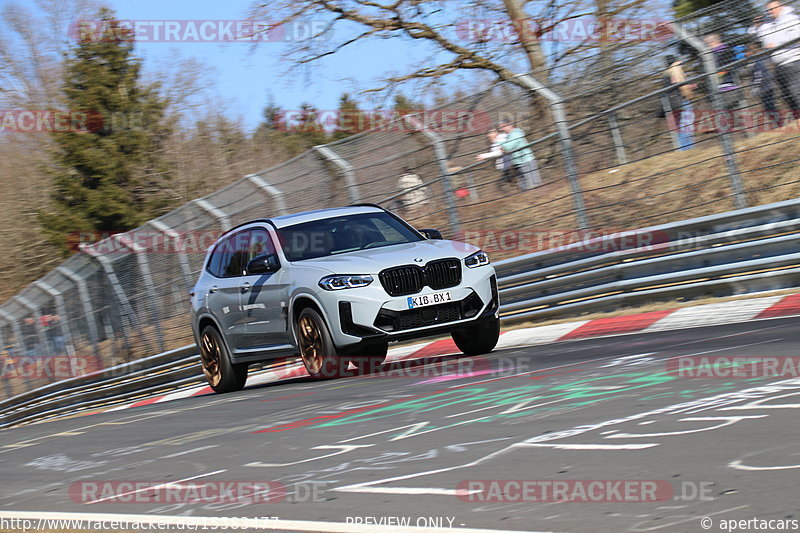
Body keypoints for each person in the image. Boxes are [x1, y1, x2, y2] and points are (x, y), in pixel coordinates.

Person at [749, 0, 800, 119]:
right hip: (778, 66)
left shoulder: (790, 19)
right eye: (768, 10)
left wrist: (777, 44)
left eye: (773, 8)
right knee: (787, 95)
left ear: (781, 7)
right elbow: (754, 36)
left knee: (796, 92)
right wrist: (755, 26)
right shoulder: (768, 25)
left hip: (794, 60)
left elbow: (797, 36)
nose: (770, 12)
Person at [664, 55, 697, 150]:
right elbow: (680, 85)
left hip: (673, 104)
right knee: (686, 126)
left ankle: (683, 149)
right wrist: (689, 90)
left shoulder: (666, 73)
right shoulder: (675, 70)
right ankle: (688, 148)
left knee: (680, 127)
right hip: (682, 102)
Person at [746, 41, 781, 128]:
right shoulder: (763, 57)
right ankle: (777, 123)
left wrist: (755, 88)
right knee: (770, 107)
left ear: (752, 51)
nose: (746, 54)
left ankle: (778, 124)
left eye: (747, 51)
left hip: (765, 87)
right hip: (768, 86)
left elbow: (758, 75)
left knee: (769, 107)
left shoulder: (757, 61)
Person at [704, 33, 743, 111]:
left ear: (712, 42)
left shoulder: (724, 52)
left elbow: (725, 68)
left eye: (707, 44)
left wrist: (714, 78)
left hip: (726, 88)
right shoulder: (714, 54)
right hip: (720, 89)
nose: (707, 47)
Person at [498, 121, 542, 190]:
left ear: (510, 125)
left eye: (503, 127)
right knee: (524, 187)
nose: (501, 129)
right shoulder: (509, 136)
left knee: (533, 186)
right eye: (501, 128)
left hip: (526, 161)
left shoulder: (516, 134)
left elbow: (508, 147)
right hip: (519, 163)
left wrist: (499, 143)